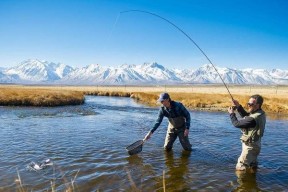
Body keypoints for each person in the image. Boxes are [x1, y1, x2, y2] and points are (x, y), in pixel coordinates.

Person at [228, 94, 266, 171]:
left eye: (251, 104)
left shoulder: (253, 118)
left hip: (250, 147)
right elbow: (247, 116)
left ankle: (242, 182)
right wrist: (238, 106)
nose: (248, 105)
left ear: (258, 105)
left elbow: (236, 124)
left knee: (240, 168)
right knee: (252, 166)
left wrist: (231, 113)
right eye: (248, 103)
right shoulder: (261, 113)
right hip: (256, 144)